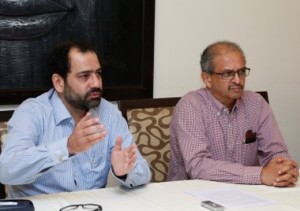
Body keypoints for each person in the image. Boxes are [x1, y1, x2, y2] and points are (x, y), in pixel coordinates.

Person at [0, 40, 151, 198]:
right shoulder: (32, 112)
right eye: (85, 76)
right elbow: (6, 170)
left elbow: (143, 172)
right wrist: (67, 147)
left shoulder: (108, 114)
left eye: (98, 74)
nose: (96, 83)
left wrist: (124, 173)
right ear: (59, 83)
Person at [168, 40, 299, 187]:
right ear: (207, 79)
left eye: (241, 72)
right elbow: (198, 166)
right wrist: (260, 174)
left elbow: (276, 151)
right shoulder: (191, 105)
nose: (238, 80)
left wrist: (284, 169)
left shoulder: (255, 102)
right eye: (227, 74)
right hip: (192, 195)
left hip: (250, 193)